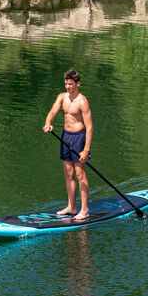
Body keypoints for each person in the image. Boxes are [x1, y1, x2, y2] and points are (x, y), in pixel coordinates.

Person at [43, 69, 93, 220]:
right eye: (66, 84)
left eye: (71, 84)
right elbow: (52, 112)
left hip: (79, 138)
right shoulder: (62, 97)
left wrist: (86, 150)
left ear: (78, 84)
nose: (68, 87)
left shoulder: (82, 101)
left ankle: (84, 209)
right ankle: (71, 207)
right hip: (65, 137)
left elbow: (89, 127)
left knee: (79, 174)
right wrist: (48, 123)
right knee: (68, 173)